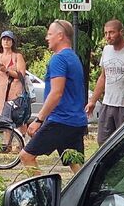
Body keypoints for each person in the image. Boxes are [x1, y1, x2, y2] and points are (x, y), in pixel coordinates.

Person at [21, 20, 88, 172]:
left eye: (50, 34)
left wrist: (39, 120)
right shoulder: (74, 57)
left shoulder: (59, 59)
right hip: (76, 121)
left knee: (26, 156)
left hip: (61, 121)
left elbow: (56, 93)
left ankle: (42, 188)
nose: (47, 38)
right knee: (76, 164)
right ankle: (89, 188)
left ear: (60, 36)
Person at [85, 19, 124, 144]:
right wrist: (92, 101)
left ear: (121, 32)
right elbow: (103, 77)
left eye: (111, 32)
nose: (108, 36)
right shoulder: (106, 50)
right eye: (105, 33)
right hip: (108, 104)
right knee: (103, 142)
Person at [0, 30, 28, 145]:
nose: (6, 42)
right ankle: (7, 144)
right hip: (1, 93)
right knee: (5, 118)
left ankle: (21, 144)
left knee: (18, 118)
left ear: (12, 42)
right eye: (4, 39)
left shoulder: (17, 56)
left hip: (15, 91)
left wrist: (6, 70)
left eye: (8, 39)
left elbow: (21, 75)